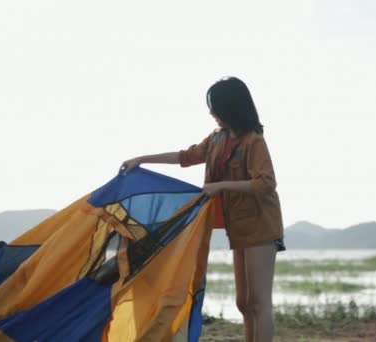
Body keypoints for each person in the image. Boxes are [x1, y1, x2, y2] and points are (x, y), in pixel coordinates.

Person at [120, 76, 284, 342]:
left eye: (216, 107)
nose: (212, 113)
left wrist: (220, 187)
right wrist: (143, 159)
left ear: (231, 107)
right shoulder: (217, 139)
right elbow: (186, 156)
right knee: (243, 302)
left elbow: (266, 183)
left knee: (258, 302)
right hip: (238, 227)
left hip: (261, 225)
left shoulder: (254, 141)